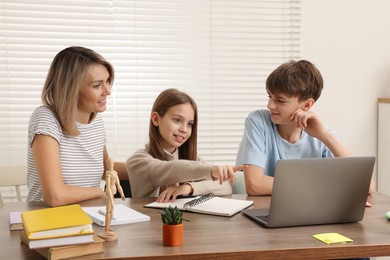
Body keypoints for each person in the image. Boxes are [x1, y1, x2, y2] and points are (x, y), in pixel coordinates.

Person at [236, 60, 375, 196]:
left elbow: (367, 186)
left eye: (280, 100)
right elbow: (255, 184)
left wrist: (326, 136)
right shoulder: (258, 121)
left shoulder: (321, 134)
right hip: (264, 210)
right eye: (270, 96)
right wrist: (320, 186)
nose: (270, 105)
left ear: (307, 105)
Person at [27, 46, 128, 207]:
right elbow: (55, 196)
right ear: (71, 89)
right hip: (47, 221)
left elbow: (104, 169)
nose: (107, 91)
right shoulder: (46, 119)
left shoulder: (96, 122)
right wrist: (99, 193)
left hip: (88, 215)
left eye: (107, 81)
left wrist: (153, 170)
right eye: (97, 85)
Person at [126, 88, 246, 202]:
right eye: (177, 120)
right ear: (156, 119)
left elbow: (225, 186)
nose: (184, 129)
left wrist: (189, 188)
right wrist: (212, 170)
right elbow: (170, 169)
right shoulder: (138, 161)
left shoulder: (192, 157)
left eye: (189, 124)